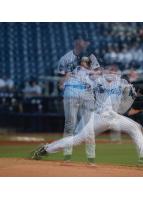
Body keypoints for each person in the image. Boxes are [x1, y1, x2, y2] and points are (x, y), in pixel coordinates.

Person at [32, 65, 143, 167]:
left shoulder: (121, 83)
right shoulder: (97, 82)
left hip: (113, 117)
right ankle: (46, 149)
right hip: (98, 117)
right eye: (109, 70)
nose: (112, 73)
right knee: (78, 139)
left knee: (135, 127)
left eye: (114, 71)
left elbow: (139, 88)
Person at [57, 34, 100, 162]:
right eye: (82, 41)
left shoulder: (91, 57)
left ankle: (91, 157)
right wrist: (65, 81)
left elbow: (98, 74)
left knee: (89, 127)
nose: (85, 43)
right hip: (71, 94)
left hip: (87, 93)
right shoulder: (65, 59)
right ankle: (67, 155)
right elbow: (60, 81)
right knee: (70, 125)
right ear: (76, 41)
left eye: (86, 41)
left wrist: (90, 73)